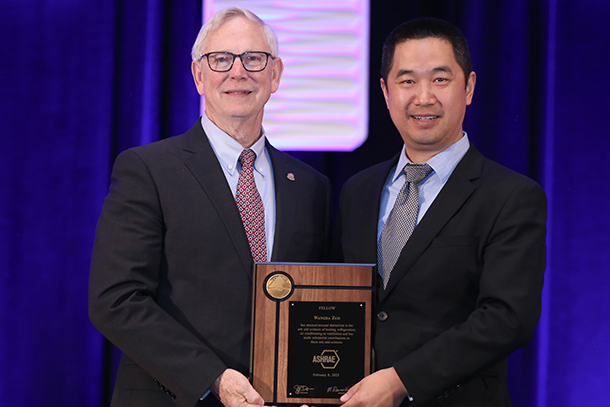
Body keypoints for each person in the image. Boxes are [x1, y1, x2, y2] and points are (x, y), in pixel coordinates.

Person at [89, 7, 331, 407]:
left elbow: (318, 302)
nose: (238, 72)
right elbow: (115, 299)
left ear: (276, 74)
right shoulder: (148, 169)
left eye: (254, 58)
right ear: (199, 75)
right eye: (221, 60)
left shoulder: (310, 186)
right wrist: (212, 378)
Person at [334, 18, 546, 406]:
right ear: (385, 91)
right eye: (407, 81)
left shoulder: (511, 196)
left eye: (440, 79)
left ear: (468, 87)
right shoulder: (357, 191)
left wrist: (400, 381)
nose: (424, 97)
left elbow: (506, 318)